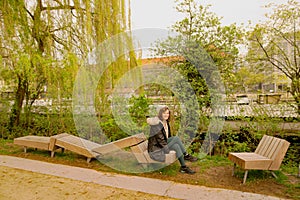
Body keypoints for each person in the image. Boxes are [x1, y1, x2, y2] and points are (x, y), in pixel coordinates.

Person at [147, 106, 198, 174]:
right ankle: (186, 155)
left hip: (162, 144)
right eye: (164, 113)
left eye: (168, 113)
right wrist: (167, 149)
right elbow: (160, 140)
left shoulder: (165, 122)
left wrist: (170, 144)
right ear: (160, 114)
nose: (166, 115)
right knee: (176, 138)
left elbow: (167, 138)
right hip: (157, 149)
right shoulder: (157, 125)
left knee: (176, 145)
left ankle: (183, 167)